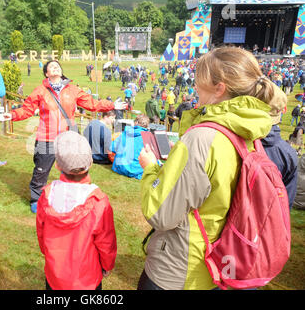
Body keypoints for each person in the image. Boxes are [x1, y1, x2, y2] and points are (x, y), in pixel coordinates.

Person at [137, 47, 276, 290]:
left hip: (181, 269)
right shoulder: (248, 130)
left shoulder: (202, 138)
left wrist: (150, 169)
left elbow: (161, 214)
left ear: (219, 88)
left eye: (199, 79)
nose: (194, 85)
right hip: (221, 261)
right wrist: (181, 160)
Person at [3, 60, 127, 213]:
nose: (55, 68)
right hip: (46, 137)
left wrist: (111, 105)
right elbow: (27, 110)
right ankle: (36, 199)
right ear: (47, 73)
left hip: (67, 137)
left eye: (57, 66)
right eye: (51, 67)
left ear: (61, 71)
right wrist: (13, 114)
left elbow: (92, 104)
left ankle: (72, 197)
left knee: (72, 168)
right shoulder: (40, 91)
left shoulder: (73, 89)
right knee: (41, 171)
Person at [36, 131, 117, 290]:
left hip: (55, 273)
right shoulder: (99, 202)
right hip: (87, 279)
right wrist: (107, 265)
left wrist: (47, 252)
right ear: (91, 163)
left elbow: (41, 232)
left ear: (58, 165)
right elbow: (106, 241)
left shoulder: (47, 195)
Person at [261, 87, 298, 210]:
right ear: (282, 111)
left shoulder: (229, 141)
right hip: (268, 219)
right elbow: (286, 204)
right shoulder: (288, 153)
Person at [110, 114, 150, 180]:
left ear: (135, 122)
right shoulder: (148, 137)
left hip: (120, 167)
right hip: (137, 170)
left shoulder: (125, 133)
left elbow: (112, 147)